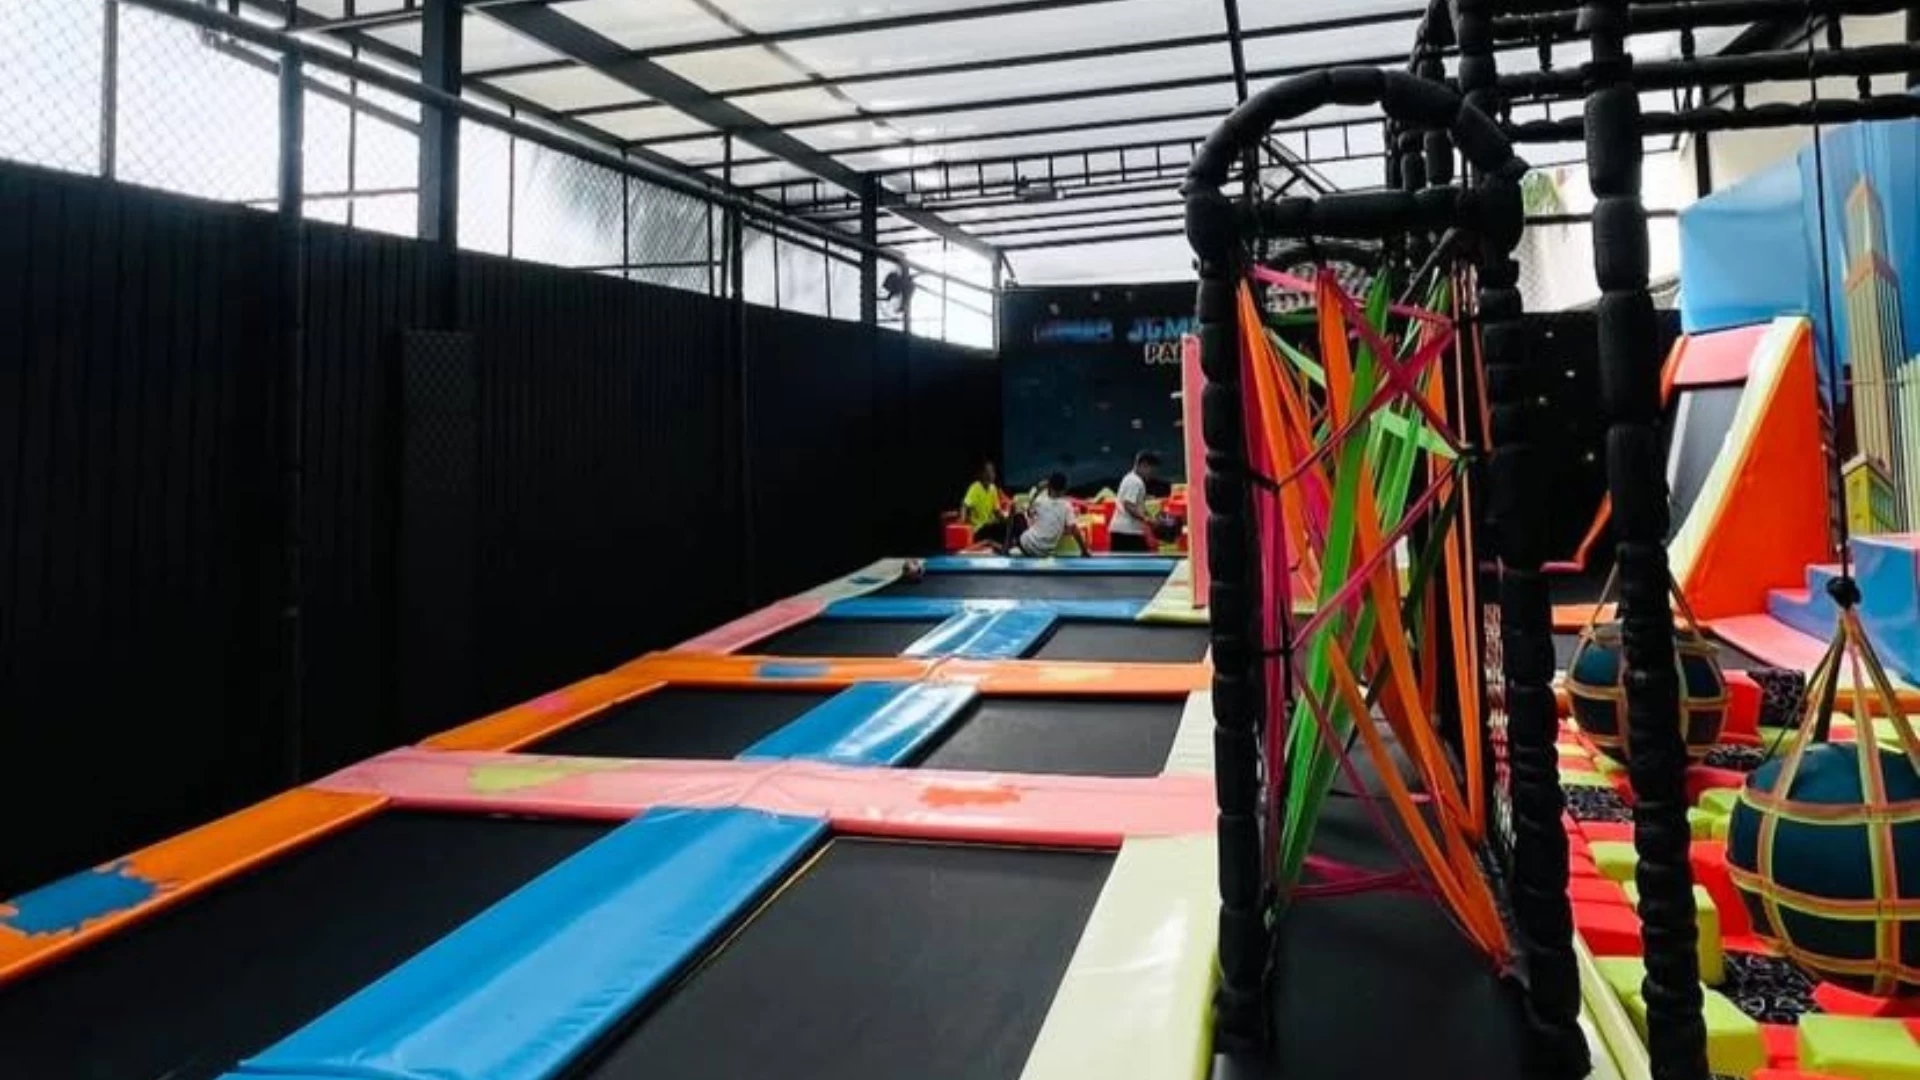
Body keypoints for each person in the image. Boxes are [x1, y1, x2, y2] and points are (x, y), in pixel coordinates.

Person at [1014, 472, 1082, 557]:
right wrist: (1084, 551)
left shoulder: (1039, 501)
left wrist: (1038, 489)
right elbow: (1074, 530)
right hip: (1045, 552)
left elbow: (1029, 512)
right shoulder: (1067, 506)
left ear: (1049, 486)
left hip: (1026, 545)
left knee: (1017, 515)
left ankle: (1007, 546)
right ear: (1065, 489)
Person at [1109, 450, 1160, 553]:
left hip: (1125, 531)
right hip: (1128, 533)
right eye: (1151, 471)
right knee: (1142, 560)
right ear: (1143, 465)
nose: (1152, 475)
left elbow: (1137, 505)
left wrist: (1149, 516)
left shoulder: (1130, 478)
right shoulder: (1135, 481)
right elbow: (1129, 505)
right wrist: (1147, 519)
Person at [959, 461, 1012, 546]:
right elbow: (964, 505)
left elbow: (996, 511)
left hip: (990, 526)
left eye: (992, 472)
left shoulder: (993, 488)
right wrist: (962, 522)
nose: (990, 475)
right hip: (979, 529)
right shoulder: (975, 487)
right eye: (987, 472)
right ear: (981, 474)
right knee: (993, 528)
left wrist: (1007, 520)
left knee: (1008, 526)